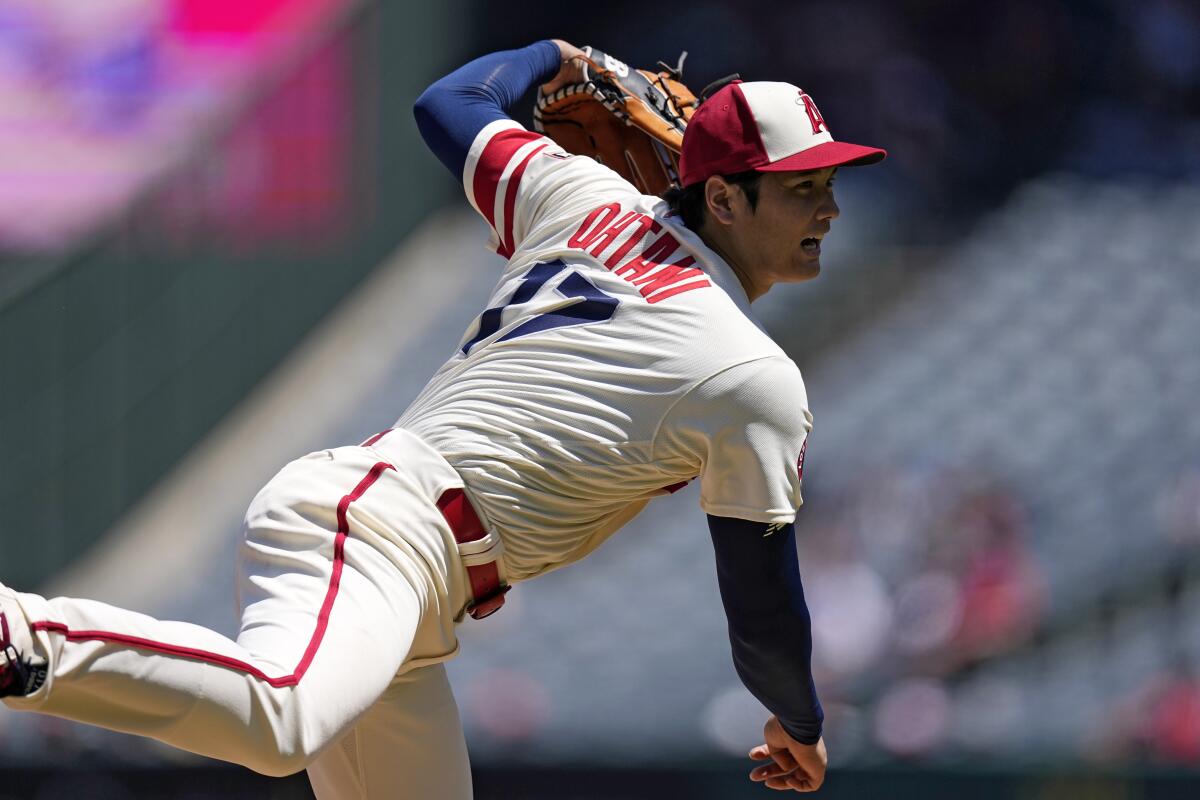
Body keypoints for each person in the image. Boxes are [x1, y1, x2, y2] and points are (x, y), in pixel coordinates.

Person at [0, 39, 884, 797]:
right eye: (800, 187)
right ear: (724, 199)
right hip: (385, 530)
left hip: (416, 593)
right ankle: (18, 634)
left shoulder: (587, 200)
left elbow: (451, 102)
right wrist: (799, 722)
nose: (829, 208)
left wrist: (562, 60)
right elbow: (761, 606)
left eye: (827, 182)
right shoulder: (749, 374)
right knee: (280, 717)